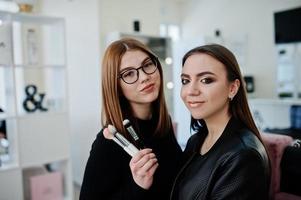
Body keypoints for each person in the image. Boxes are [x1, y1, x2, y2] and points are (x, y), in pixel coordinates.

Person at [80, 38, 183, 200]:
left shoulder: (163, 124)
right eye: (129, 74)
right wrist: (137, 187)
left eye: (148, 65)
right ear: (117, 87)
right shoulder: (108, 141)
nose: (144, 77)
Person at [170, 44, 270, 200]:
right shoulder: (195, 141)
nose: (191, 91)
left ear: (233, 88)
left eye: (206, 80)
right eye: (185, 80)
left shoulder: (243, 156)